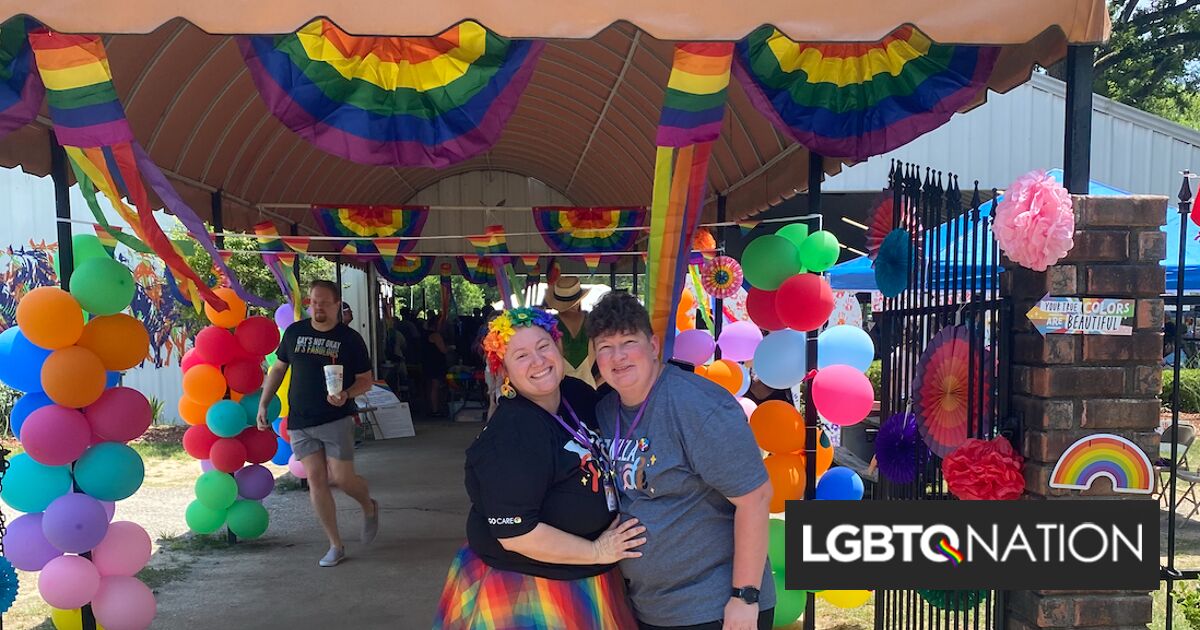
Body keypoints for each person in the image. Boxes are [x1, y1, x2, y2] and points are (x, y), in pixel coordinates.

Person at [433, 307, 642, 629]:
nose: (538, 361)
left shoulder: (575, 394)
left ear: (558, 347)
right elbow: (516, 533)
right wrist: (597, 551)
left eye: (543, 347)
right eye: (521, 355)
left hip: (586, 574)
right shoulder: (510, 434)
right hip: (528, 587)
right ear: (503, 371)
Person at [586, 291, 775, 630]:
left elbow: (756, 498)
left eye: (629, 341)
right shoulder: (605, 410)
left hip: (714, 608)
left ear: (654, 346)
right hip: (650, 608)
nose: (618, 357)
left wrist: (745, 597)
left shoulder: (697, 406)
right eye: (605, 347)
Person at [258, 280, 379, 568]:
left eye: (324, 302)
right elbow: (278, 368)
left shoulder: (350, 339)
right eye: (314, 301)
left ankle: (368, 504)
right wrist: (265, 402)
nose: (318, 307)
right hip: (300, 419)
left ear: (337, 304)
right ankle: (335, 544)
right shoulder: (295, 332)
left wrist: (347, 394)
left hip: (336, 418)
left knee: (342, 479)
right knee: (316, 479)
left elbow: (366, 380)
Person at [544, 276, 597, 387]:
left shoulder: (549, 325)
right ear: (579, 299)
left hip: (561, 392)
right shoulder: (593, 323)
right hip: (591, 392)